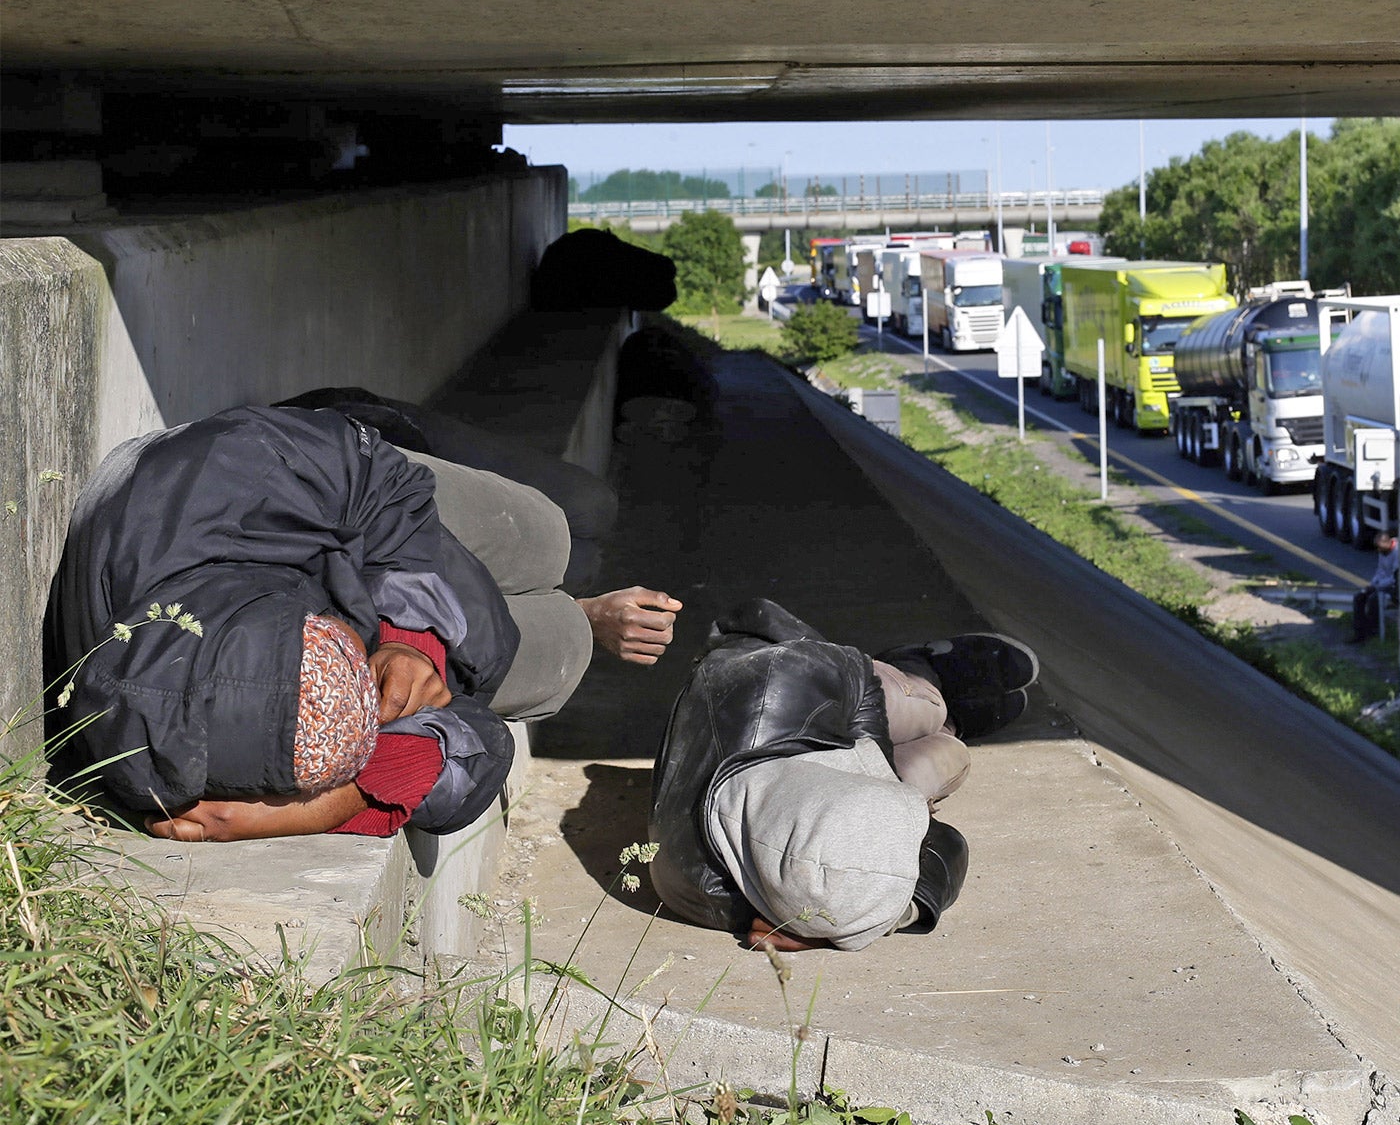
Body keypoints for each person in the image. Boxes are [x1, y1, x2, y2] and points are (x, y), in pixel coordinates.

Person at [44, 404, 679, 843]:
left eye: (347, 646)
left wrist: (410, 645)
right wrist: (318, 811)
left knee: (553, 533)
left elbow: (386, 490)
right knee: (558, 656)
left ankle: (565, 588)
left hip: (353, 499)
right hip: (312, 580)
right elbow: (475, 746)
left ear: (299, 620)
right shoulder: (176, 765)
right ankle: (584, 618)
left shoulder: (239, 470)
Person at [648, 599, 1039, 952]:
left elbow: (757, 615)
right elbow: (948, 845)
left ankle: (922, 670)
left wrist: (879, 773)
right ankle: (953, 723)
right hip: (802, 780)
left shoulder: (776, 681)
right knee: (947, 756)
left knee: (922, 708)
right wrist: (859, 919)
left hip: (833, 696)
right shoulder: (739, 892)